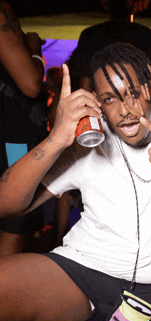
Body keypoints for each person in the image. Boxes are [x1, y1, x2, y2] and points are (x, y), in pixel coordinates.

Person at [0, 42, 151, 321]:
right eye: (110, 99)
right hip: (79, 274)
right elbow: (7, 203)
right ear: (99, 103)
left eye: (132, 94)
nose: (125, 110)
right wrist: (56, 139)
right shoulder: (87, 142)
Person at [0, 1, 47, 256]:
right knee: (17, 211)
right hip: (12, 139)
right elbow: (31, 83)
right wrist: (34, 49)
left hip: (10, 136)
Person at [67, 0, 151, 113]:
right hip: (139, 118)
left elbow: (84, 89)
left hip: (101, 120)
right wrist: (144, 114)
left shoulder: (91, 36)